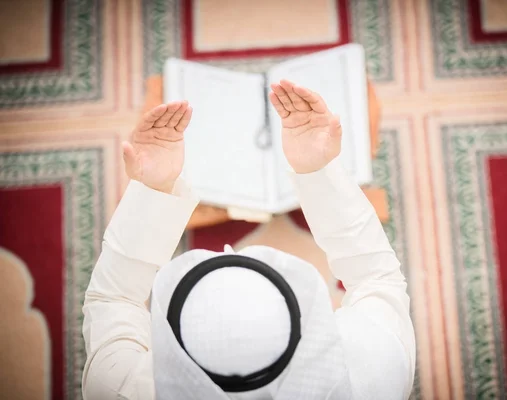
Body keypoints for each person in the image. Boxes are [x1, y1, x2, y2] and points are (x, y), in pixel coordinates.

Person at [82, 80, 416, 400]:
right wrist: (317, 169)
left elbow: (115, 298)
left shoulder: (117, 389)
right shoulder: (377, 371)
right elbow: (376, 278)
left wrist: (154, 188)